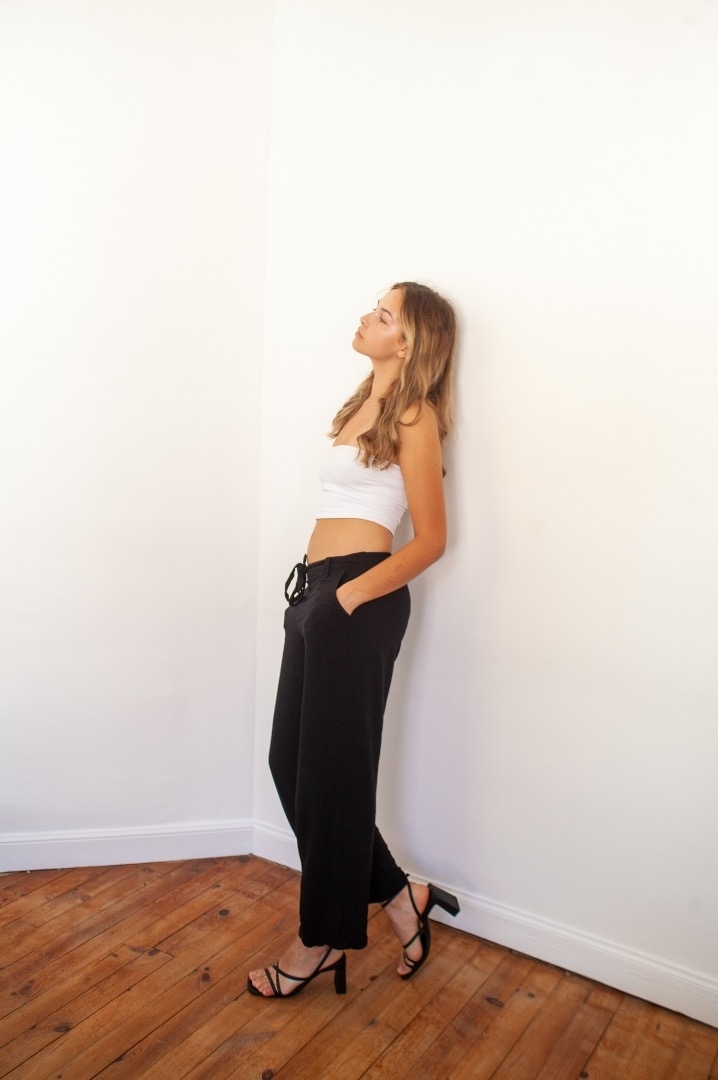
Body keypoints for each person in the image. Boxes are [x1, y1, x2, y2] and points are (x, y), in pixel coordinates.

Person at [248, 281, 460, 999]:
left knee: (331, 779)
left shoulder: (414, 414)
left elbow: (430, 540)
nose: (367, 317)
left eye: (383, 314)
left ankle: (319, 941)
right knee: (292, 764)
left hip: (356, 597)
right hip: (316, 591)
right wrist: (320, 595)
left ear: (408, 341)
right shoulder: (363, 402)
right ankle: (401, 897)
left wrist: (347, 596)